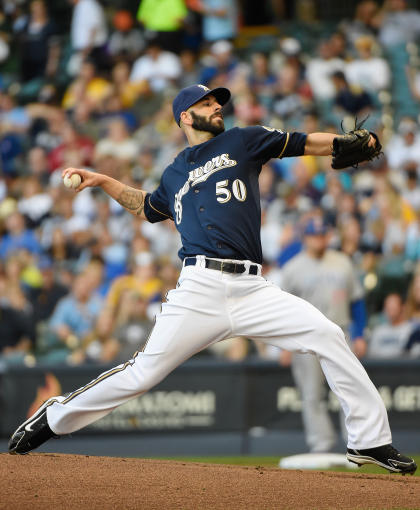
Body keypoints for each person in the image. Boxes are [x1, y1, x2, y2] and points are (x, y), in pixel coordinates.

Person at [8, 84, 416, 475]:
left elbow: (304, 142)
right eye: (207, 104)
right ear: (185, 116)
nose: (217, 107)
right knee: (141, 374)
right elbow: (147, 207)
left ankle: (368, 440)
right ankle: (54, 416)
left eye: (218, 102)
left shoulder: (242, 140)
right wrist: (104, 182)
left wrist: (345, 144)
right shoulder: (173, 173)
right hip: (198, 289)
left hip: (253, 288)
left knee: (328, 334)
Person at [276, 218, 368, 454]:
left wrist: (359, 334)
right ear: (305, 238)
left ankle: (356, 443)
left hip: (340, 332)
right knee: (311, 394)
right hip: (305, 336)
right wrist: (285, 345)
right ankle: (321, 444)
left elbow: (356, 301)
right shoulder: (293, 268)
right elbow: (282, 311)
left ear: (328, 236)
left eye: (322, 234)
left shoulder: (343, 262)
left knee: (348, 390)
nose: (318, 239)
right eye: (314, 235)